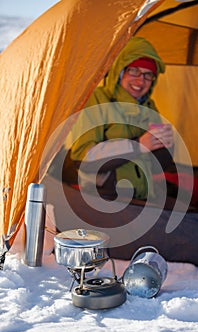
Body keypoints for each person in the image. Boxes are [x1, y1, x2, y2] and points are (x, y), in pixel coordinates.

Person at [67, 36, 176, 206]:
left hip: (141, 197)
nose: (141, 81)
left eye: (148, 75)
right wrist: (139, 144)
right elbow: (84, 158)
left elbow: (157, 165)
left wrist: (166, 146)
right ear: (120, 71)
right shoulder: (97, 100)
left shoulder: (148, 106)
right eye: (134, 71)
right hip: (102, 198)